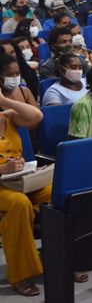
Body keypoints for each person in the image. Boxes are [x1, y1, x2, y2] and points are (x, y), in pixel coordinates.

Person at [0, 92, 49, 296]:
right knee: (19, 204)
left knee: (56, 192)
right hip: (2, 186)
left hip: (19, 180)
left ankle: (58, 258)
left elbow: (37, 116)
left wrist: (4, 101)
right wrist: (2, 169)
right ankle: (21, 274)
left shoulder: (8, 116)